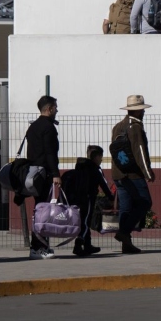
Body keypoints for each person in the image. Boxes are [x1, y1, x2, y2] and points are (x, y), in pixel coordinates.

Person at [111, 95, 155, 255]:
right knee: (145, 202)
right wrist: (147, 172)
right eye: (142, 110)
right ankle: (124, 233)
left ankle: (126, 243)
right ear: (138, 111)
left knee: (126, 207)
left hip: (118, 173)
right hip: (133, 174)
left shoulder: (118, 126)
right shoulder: (135, 127)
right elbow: (140, 152)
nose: (143, 112)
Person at [26, 95, 63, 259]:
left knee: (40, 210)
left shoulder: (33, 127)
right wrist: (56, 174)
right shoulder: (48, 127)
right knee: (43, 212)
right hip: (45, 174)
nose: (57, 110)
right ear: (49, 109)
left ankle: (41, 246)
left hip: (34, 174)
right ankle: (38, 248)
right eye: (55, 107)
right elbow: (50, 153)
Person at [60, 144, 112, 256]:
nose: (102, 159)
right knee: (85, 221)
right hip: (88, 199)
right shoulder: (94, 170)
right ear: (96, 157)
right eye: (101, 157)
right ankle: (78, 245)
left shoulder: (79, 168)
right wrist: (111, 198)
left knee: (83, 222)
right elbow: (104, 186)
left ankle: (87, 245)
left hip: (75, 200)